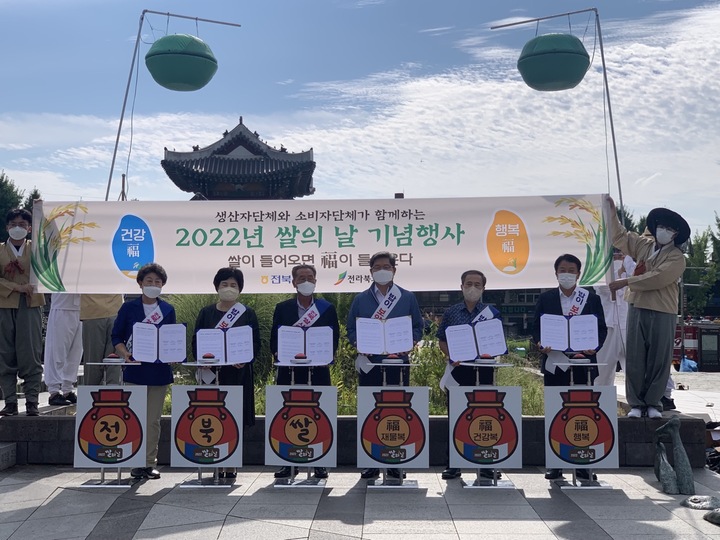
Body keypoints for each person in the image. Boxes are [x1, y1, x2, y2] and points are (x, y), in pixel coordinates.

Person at [607, 196, 689, 419]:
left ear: (676, 234)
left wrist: (626, 282)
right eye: (661, 226)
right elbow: (620, 236)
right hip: (637, 305)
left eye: (669, 228)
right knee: (635, 357)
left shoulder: (677, 257)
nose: (664, 230)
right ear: (655, 227)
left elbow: (658, 277)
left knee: (659, 358)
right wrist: (612, 213)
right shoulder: (643, 245)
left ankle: (654, 403)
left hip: (663, 310)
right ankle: (635, 404)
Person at [346, 251, 423, 480]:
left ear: (394, 270)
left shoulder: (407, 297)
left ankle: (395, 462)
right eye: (377, 267)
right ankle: (370, 461)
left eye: (386, 266)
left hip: (397, 365)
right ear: (370, 271)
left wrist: (410, 342)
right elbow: (351, 328)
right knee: (371, 412)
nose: (382, 270)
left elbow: (418, 327)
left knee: (398, 412)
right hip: (371, 364)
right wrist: (357, 342)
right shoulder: (360, 299)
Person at [533, 253, 607, 481]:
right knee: (557, 413)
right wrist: (540, 344)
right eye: (563, 270)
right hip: (555, 363)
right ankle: (555, 464)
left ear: (578, 273)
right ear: (556, 273)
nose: (567, 274)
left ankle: (583, 463)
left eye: (571, 270)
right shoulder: (546, 298)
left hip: (582, 364)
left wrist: (594, 346)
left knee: (583, 413)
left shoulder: (591, 298)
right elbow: (536, 327)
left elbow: (601, 329)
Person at [270, 264, 340, 480]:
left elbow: (333, 337)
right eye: (301, 278)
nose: (306, 281)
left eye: (310, 277)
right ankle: (286, 463)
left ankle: (319, 462)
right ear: (293, 282)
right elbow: (275, 338)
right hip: (289, 370)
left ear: (316, 281)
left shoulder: (326, 308)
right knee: (287, 415)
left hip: (317, 370)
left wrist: (327, 355)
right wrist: (280, 353)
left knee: (319, 414)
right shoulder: (283, 308)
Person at [193, 267, 260, 479]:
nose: (228, 289)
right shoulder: (206, 313)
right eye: (224, 284)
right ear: (216, 287)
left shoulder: (247, 313)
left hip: (238, 375)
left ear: (240, 289)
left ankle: (231, 465)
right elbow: (196, 341)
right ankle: (214, 461)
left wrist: (245, 358)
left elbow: (255, 343)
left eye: (233, 285)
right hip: (212, 375)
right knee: (212, 417)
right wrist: (202, 360)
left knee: (234, 418)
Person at [437, 269, 502, 481]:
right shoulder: (451, 312)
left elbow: (498, 342)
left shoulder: (492, 312)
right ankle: (453, 464)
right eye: (468, 283)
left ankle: (486, 464)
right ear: (461, 286)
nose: (472, 288)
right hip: (459, 370)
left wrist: (490, 352)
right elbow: (442, 341)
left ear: (483, 288)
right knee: (457, 417)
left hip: (484, 371)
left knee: (485, 417)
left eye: (477, 284)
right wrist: (452, 354)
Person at [112, 263, 175, 480]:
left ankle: (149, 463)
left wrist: (173, 353)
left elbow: (171, 338)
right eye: (149, 281)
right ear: (140, 283)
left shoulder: (167, 310)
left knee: (153, 421)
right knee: (134, 418)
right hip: (135, 370)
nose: (153, 285)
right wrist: (125, 354)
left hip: (158, 372)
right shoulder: (128, 308)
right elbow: (116, 337)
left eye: (158, 282)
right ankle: (134, 463)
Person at [0, 208, 45, 417]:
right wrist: (15, 287)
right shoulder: (0, 250)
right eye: (13, 224)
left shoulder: (37, 250)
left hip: (31, 305)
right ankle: (9, 401)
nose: (17, 228)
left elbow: (50, 269)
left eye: (22, 224)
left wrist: (41, 211)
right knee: (5, 354)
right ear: (7, 227)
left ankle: (32, 401)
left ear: (29, 228)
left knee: (31, 354)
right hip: (4, 305)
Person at [593, 252, 634, 387]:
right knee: (602, 369)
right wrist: (619, 272)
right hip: (607, 325)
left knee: (635, 369)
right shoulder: (601, 269)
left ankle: (638, 403)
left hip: (628, 324)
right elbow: (602, 287)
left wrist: (626, 266)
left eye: (621, 253)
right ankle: (600, 399)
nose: (618, 256)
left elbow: (639, 281)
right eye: (615, 253)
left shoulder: (632, 267)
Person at [44, 293, 83, 406]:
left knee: (75, 353)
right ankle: (54, 391)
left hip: (83, 308)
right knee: (57, 351)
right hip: (62, 306)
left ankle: (67, 389)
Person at [81, 294, 124, 386]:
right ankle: (91, 395)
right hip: (92, 312)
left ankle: (112, 394)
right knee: (93, 362)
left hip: (114, 310)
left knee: (113, 361)